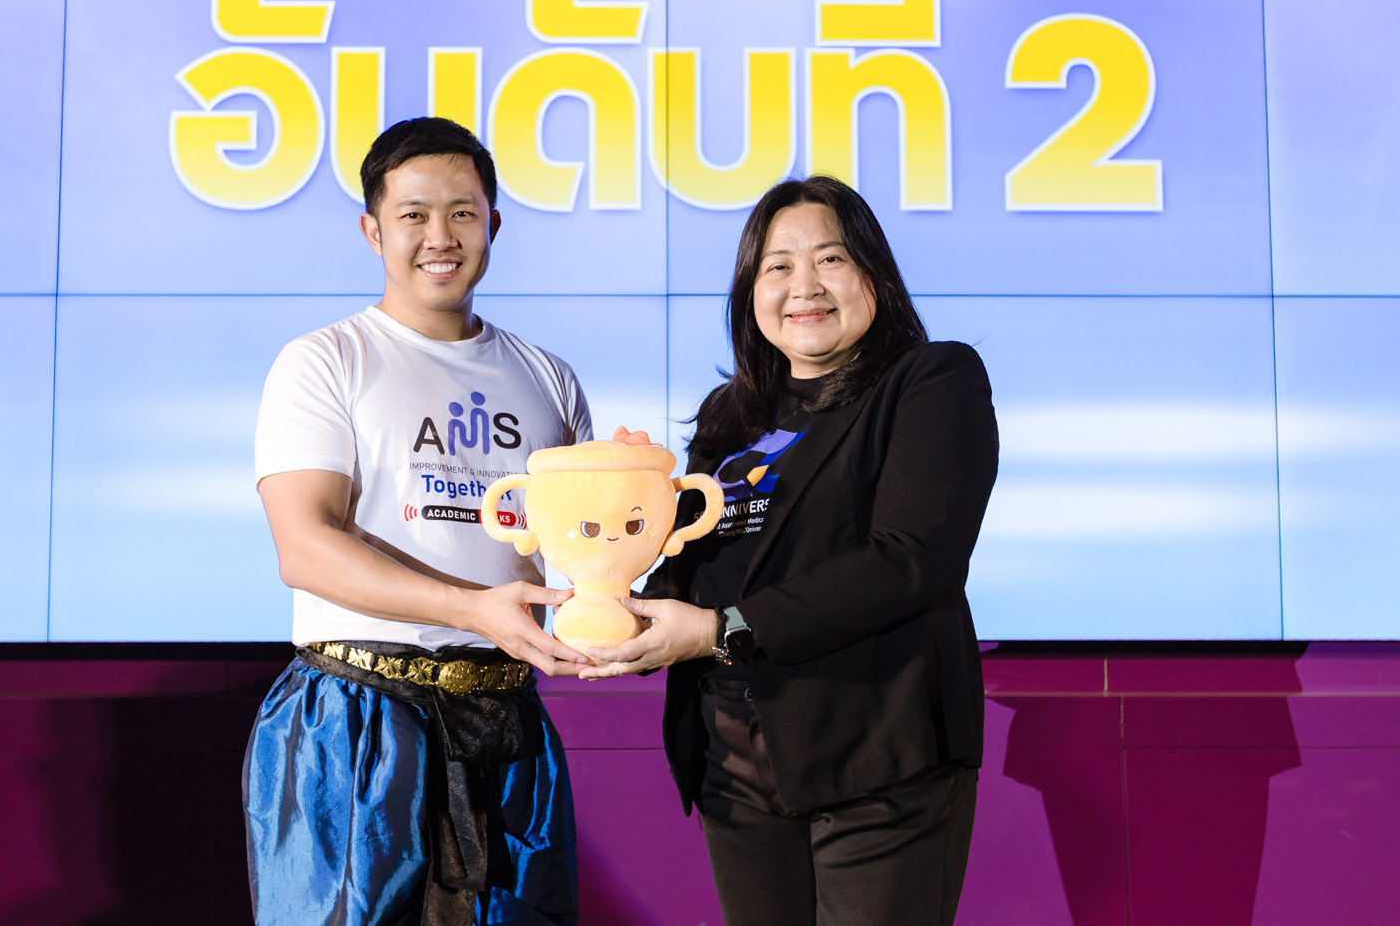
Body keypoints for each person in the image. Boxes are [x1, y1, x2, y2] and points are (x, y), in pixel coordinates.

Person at [580, 175, 1000, 926]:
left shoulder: (930, 380)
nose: (804, 285)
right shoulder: (729, 413)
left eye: (830, 258)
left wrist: (721, 631)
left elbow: (909, 560)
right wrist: (618, 584)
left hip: (876, 756)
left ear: (874, 274)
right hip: (732, 758)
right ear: (751, 291)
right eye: (778, 266)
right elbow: (695, 567)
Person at [245, 116, 589, 926]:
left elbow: (577, 552)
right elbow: (305, 547)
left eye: (463, 213)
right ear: (373, 230)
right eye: (413, 215)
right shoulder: (325, 360)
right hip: (355, 720)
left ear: (493, 223)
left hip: (505, 719)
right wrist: (471, 607)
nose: (440, 236)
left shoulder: (549, 378)